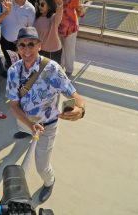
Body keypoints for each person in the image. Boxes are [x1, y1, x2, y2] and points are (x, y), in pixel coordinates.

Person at [6, 27, 86, 202]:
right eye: (22, 45)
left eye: (31, 44)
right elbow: (13, 105)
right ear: (17, 47)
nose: (27, 50)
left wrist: (80, 110)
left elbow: (75, 96)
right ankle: (27, 132)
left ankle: (50, 182)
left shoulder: (52, 69)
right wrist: (29, 125)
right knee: (25, 130)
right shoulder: (13, 71)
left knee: (41, 166)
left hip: (47, 126)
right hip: (26, 121)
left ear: (39, 46)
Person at [56, 0, 85, 76]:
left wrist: (81, 12)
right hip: (58, 25)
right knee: (60, 49)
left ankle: (69, 70)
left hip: (70, 27)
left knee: (69, 49)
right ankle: (60, 67)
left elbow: (78, 10)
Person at [34, 0, 64, 64]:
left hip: (53, 51)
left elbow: (59, 13)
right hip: (40, 50)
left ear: (49, 6)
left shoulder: (53, 18)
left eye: (42, 5)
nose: (39, 7)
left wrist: (60, 4)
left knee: (53, 73)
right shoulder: (36, 17)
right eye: (38, 4)